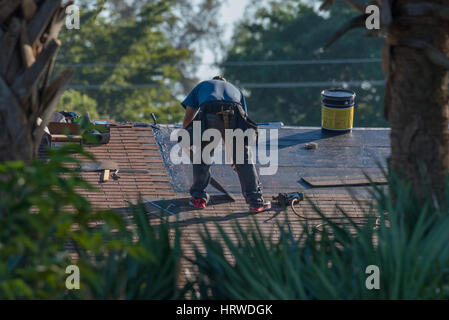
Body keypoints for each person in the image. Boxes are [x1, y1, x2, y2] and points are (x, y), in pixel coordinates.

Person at [181, 76, 271, 213]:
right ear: (225, 82)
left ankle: (198, 198)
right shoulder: (235, 90)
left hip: (209, 109)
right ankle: (256, 202)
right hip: (235, 109)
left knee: (203, 154)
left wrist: (188, 141)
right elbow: (241, 122)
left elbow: (188, 117)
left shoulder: (203, 85)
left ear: (213, 80)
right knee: (243, 157)